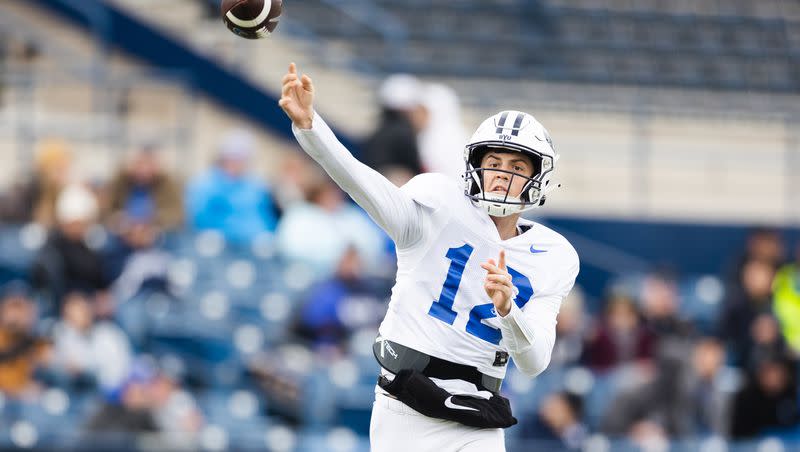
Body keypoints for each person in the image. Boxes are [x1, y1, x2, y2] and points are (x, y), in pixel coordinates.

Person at [279, 63, 579, 451]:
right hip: (404, 406)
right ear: (476, 166)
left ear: (538, 179)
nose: (502, 175)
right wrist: (311, 128)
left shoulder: (553, 255)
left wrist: (508, 311)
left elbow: (534, 361)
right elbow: (362, 182)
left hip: (478, 416)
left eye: (517, 166)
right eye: (494, 163)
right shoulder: (439, 203)